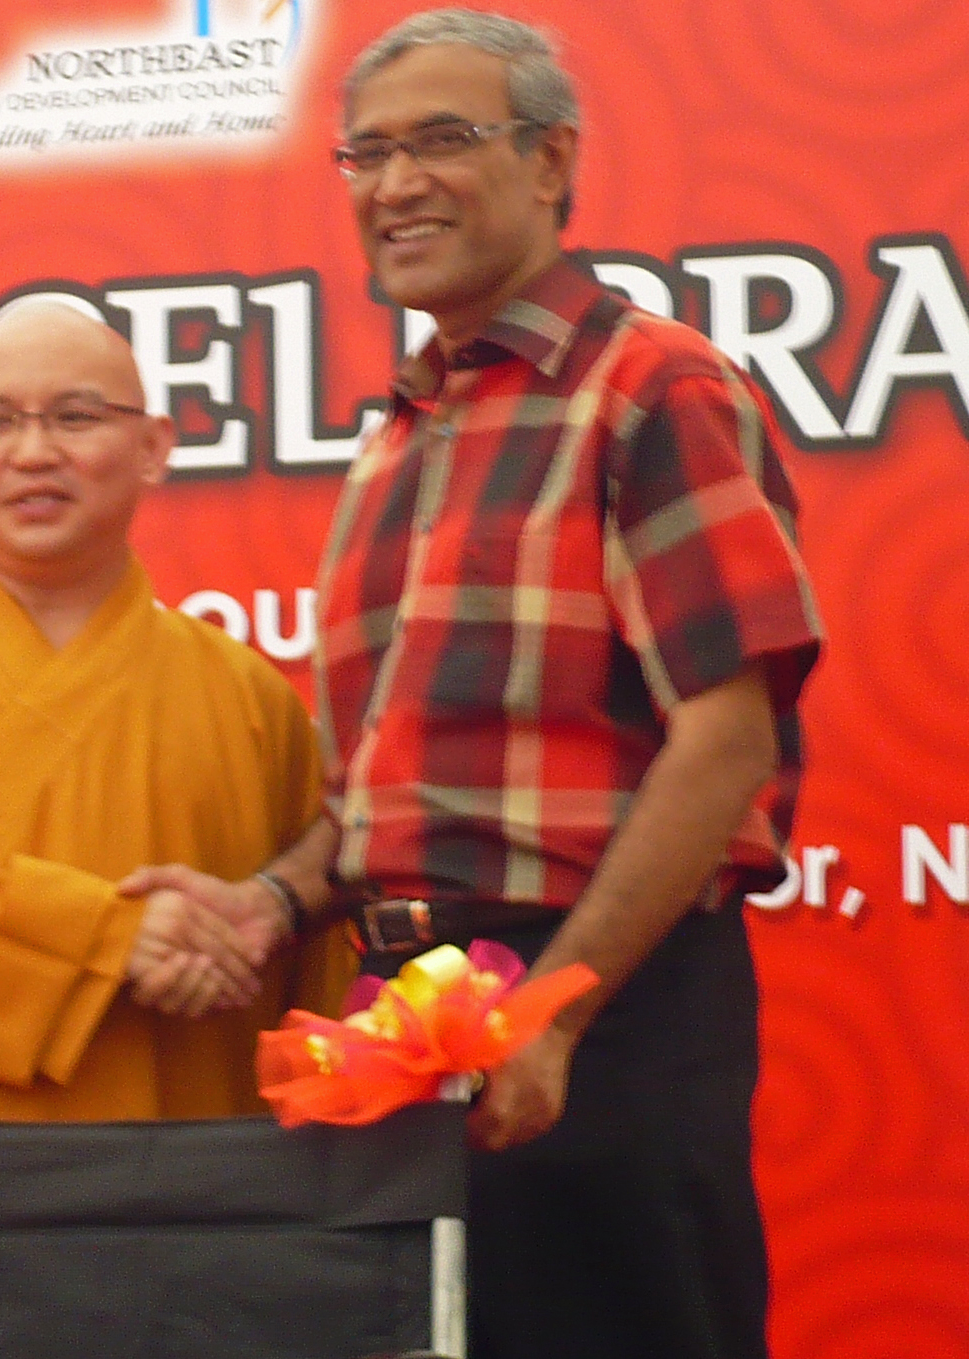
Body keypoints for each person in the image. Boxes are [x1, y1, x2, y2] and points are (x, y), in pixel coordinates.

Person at [128, 12, 823, 1358]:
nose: (395, 185)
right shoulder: (395, 440)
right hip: (404, 1015)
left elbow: (724, 743)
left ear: (552, 160)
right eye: (365, 154)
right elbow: (388, 793)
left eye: (441, 140)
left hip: (600, 1018)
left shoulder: (651, 388)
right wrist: (268, 901)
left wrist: (550, 1012)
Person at [0, 298, 356, 1352]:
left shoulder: (254, 705)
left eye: (76, 417)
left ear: (153, 448)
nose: (33, 452)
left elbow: (308, 992)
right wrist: (109, 939)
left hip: (199, 1238)